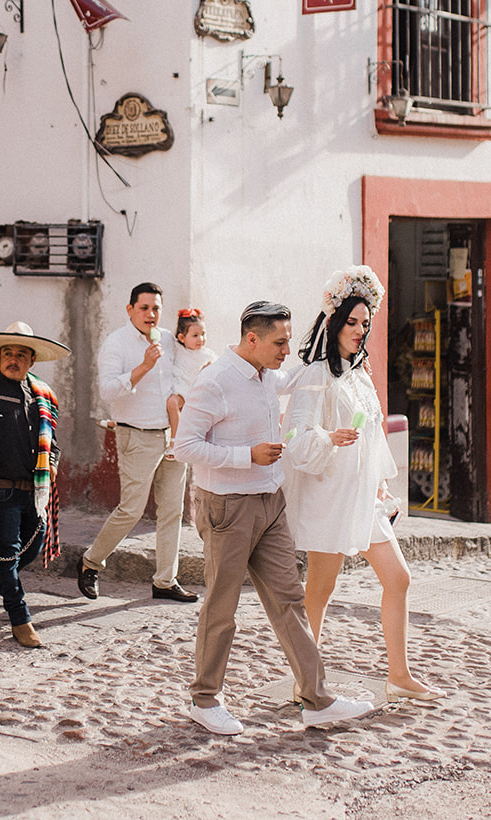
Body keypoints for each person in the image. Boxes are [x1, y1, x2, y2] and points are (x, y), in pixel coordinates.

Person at [171, 300, 371, 735]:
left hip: (269, 503)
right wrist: (247, 456)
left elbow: (304, 371)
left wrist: (335, 322)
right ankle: (204, 701)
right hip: (227, 507)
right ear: (252, 339)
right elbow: (183, 446)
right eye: (279, 342)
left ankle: (316, 699)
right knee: (222, 607)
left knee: (289, 600)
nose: (286, 350)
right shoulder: (216, 380)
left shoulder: (268, 374)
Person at [282, 266, 444, 704]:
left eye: (365, 324)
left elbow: (373, 436)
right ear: (334, 323)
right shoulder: (315, 375)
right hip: (330, 497)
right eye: (351, 322)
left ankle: (399, 674)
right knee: (319, 589)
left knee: (399, 578)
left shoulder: (359, 375)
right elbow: (294, 439)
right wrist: (329, 440)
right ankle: (306, 681)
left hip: (363, 498)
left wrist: (380, 488)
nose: (358, 330)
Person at [81, 282, 194, 603]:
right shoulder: (115, 344)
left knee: (172, 511)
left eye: (156, 308)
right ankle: (90, 562)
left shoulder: (171, 340)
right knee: (130, 510)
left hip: (172, 437)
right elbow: (106, 392)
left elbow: (188, 368)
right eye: (144, 308)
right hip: (136, 435)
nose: (151, 314)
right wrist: (144, 366)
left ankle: (164, 581)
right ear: (130, 309)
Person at [0, 320, 69, 649]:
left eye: (21, 354)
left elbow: (51, 441)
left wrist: (52, 464)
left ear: (31, 360)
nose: (13, 359)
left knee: (31, 549)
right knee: (7, 555)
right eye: (8, 352)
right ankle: (20, 619)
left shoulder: (43, 396)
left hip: (34, 491)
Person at [165, 308, 216, 452]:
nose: (200, 339)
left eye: (203, 334)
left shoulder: (208, 356)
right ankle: (120, 421)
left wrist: (207, 369)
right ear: (182, 338)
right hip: (174, 386)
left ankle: (176, 441)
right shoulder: (177, 349)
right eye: (195, 335)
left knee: (172, 402)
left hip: (188, 391)